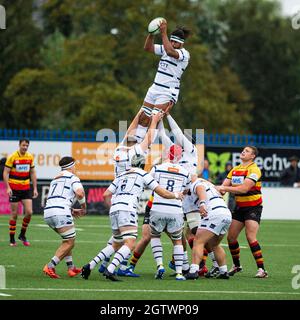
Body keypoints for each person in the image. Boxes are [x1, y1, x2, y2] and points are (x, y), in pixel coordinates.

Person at [81, 154, 184, 281]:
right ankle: (110, 269)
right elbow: (161, 192)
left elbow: (106, 194)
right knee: (130, 243)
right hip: (127, 209)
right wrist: (176, 195)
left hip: (115, 209)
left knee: (116, 244)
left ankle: (89, 265)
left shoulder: (122, 174)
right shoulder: (143, 174)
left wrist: (112, 208)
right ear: (143, 164)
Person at [133, 19, 191, 143]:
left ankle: (145, 148)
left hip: (168, 92)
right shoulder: (166, 48)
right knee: (143, 116)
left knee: (154, 119)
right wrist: (152, 33)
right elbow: (147, 48)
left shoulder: (184, 54)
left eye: (175, 42)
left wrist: (163, 33)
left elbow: (170, 52)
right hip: (155, 88)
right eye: (171, 41)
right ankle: (136, 145)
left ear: (181, 43)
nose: (172, 43)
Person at [216, 146, 268, 278]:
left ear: (253, 156)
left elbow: (244, 189)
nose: (244, 152)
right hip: (239, 207)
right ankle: (237, 265)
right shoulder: (235, 169)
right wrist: (217, 189)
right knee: (231, 237)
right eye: (243, 150)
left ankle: (262, 269)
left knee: (250, 237)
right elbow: (223, 186)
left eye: (247, 151)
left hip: (253, 207)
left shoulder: (254, 170)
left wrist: (223, 188)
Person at [149, 144, 191, 281]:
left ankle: (160, 265)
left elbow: (149, 184)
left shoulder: (157, 168)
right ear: (180, 156)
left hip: (158, 208)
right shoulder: (185, 172)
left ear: (168, 154)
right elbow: (185, 190)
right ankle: (179, 273)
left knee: (155, 236)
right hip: (175, 210)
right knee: (178, 240)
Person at [43, 156, 86, 279]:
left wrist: (71, 210)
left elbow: (57, 198)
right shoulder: (73, 177)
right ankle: (50, 266)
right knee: (69, 241)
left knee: (67, 240)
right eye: (75, 165)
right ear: (71, 166)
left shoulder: (55, 179)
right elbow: (80, 193)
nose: (75, 168)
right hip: (60, 212)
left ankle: (71, 268)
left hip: (48, 212)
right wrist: (84, 207)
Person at [185, 177, 232, 280]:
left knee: (198, 241)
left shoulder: (196, 183)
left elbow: (200, 188)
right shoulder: (210, 185)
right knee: (214, 244)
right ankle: (223, 271)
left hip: (214, 213)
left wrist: (202, 203)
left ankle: (193, 271)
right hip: (226, 213)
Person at [3, 139, 38, 246]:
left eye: (27, 145)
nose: (25, 147)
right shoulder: (12, 157)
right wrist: (8, 187)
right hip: (14, 189)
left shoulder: (30, 157)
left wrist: (35, 188)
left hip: (26, 188)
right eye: (23, 145)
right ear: (19, 145)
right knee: (14, 214)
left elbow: (32, 172)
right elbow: (5, 173)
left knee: (29, 212)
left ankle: (22, 235)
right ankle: (12, 239)